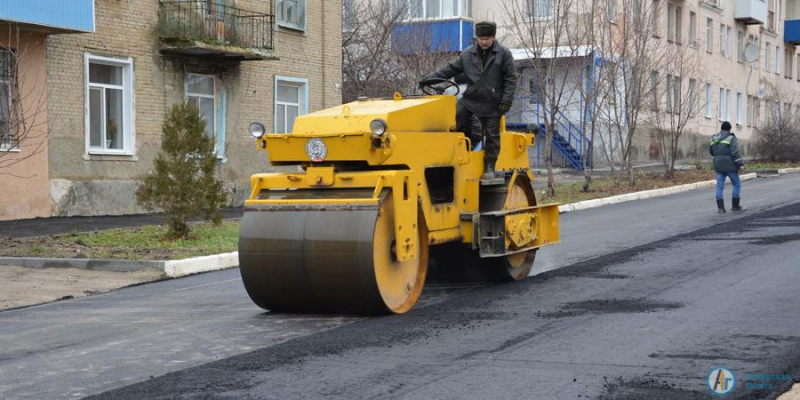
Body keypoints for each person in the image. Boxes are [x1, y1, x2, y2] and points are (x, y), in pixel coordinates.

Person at [419, 21, 518, 179]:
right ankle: (448, 160)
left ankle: (490, 167)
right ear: (477, 38)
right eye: (481, 38)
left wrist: (506, 100)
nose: (484, 42)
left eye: (487, 38)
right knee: (452, 123)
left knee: (492, 135)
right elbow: (450, 69)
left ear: (493, 37)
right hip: (471, 99)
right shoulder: (467, 54)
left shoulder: (504, 54)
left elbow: (511, 79)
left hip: (492, 102)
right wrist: (429, 80)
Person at [710, 121, 746, 214]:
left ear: (721, 128)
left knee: (719, 187)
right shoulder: (731, 138)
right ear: (729, 129)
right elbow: (735, 153)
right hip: (730, 166)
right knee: (736, 184)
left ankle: (721, 208)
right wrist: (740, 164)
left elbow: (712, 152)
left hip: (718, 165)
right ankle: (735, 206)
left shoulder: (714, 138)